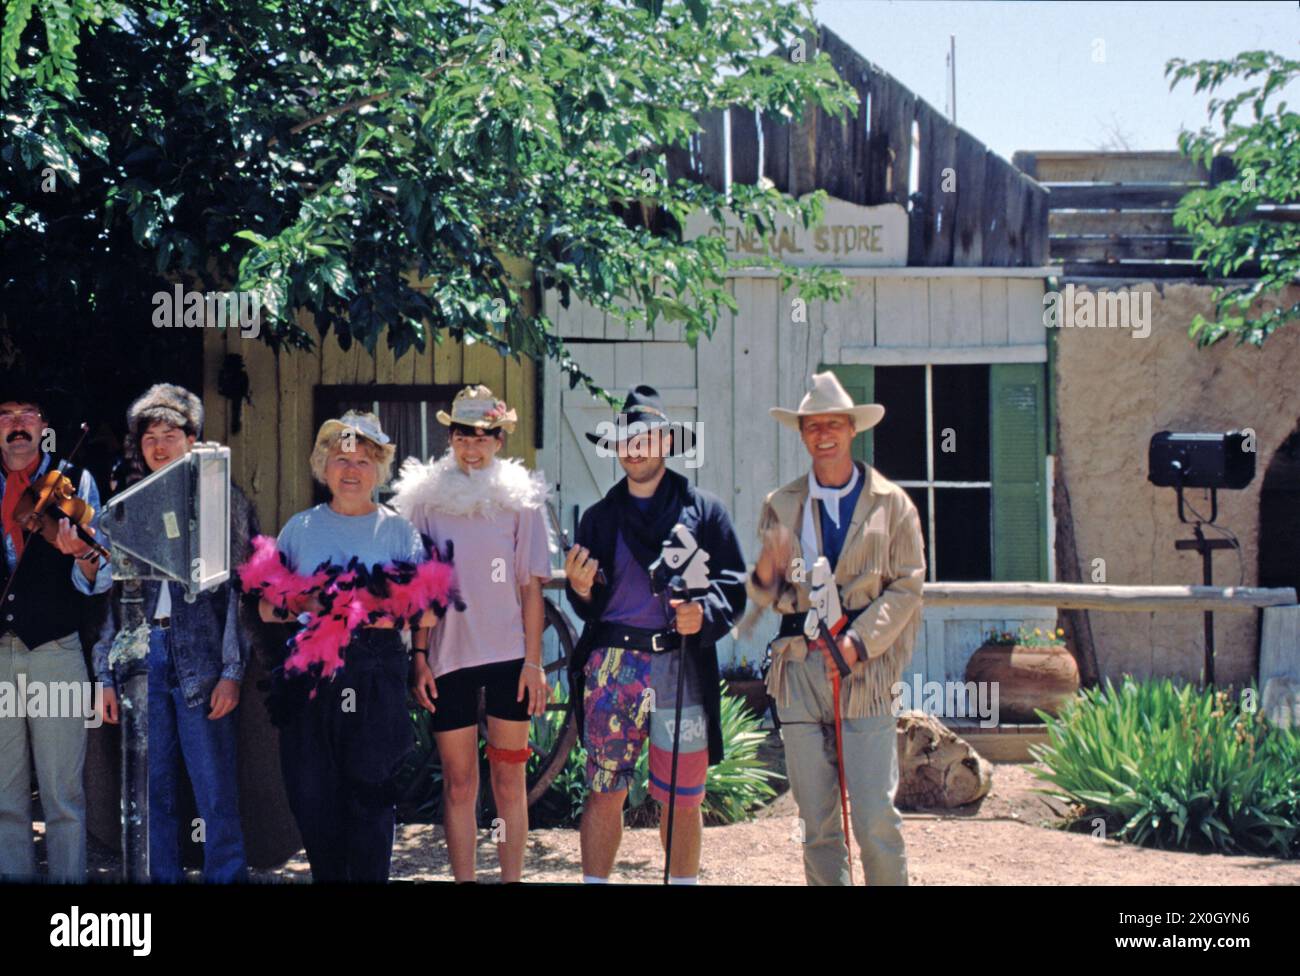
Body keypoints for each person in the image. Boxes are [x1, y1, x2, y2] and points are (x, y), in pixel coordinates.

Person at [238, 411, 458, 882]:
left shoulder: (398, 531)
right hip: (310, 676)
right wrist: (304, 602)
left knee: (371, 800)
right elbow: (264, 608)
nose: (351, 469)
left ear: (379, 468)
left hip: (375, 670)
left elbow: (430, 610)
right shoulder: (301, 527)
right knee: (312, 797)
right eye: (341, 459)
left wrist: (372, 618)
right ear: (323, 465)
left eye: (363, 460)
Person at [747, 371, 925, 886]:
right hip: (800, 672)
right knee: (816, 823)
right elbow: (768, 593)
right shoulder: (780, 504)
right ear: (802, 434)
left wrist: (860, 641)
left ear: (852, 430)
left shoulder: (892, 505)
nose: (823, 434)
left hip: (865, 675)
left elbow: (908, 586)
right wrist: (765, 572)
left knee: (873, 819)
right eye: (812, 426)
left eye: (833, 424)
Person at [563, 385, 746, 885]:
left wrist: (704, 615)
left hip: (678, 665)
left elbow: (734, 584)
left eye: (645, 437)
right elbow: (590, 603)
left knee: (681, 797)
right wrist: (579, 589)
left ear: (665, 442)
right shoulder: (599, 517)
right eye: (626, 438)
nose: (635, 447)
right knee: (604, 790)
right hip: (611, 667)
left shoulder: (703, 511)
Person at [391, 384, 553, 884]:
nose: (473, 445)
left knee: (508, 780)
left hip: (509, 658)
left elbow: (531, 589)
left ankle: (510, 879)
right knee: (459, 785)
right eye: (463, 434)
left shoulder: (521, 501)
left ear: (500, 439)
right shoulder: (425, 501)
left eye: (484, 435)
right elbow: (412, 587)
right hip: (447, 658)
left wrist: (534, 661)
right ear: (451, 437)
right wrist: (418, 655)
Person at [92, 383, 252, 882]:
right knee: (148, 787)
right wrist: (104, 676)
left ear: (192, 437)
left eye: (170, 434)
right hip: (141, 656)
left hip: (202, 660)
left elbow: (242, 593)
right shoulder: (124, 506)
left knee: (213, 788)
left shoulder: (222, 500)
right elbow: (109, 601)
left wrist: (232, 670)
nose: (159, 446)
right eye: (149, 437)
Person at [0, 388, 111, 881]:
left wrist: (81, 555)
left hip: (57, 652)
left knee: (64, 797)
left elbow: (100, 575)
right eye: (5, 416)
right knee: (4, 796)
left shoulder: (73, 482)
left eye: (27, 414)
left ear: (43, 424)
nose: (17, 424)